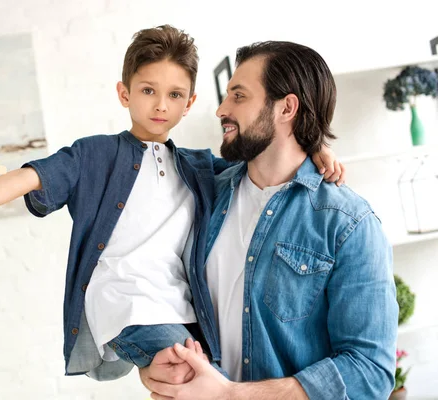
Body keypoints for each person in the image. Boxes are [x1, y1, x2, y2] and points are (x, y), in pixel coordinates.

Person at [0, 28, 339, 381]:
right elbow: (30, 177)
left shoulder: (198, 166)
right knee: (188, 378)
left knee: (219, 377)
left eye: (175, 95)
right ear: (124, 93)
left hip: (183, 310)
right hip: (127, 304)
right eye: (148, 90)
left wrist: (315, 150)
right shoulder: (94, 155)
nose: (160, 104)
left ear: (189, 102)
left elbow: (266, 162)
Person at [139, 41, 398, 400]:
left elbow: (369, 372)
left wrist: (230, 395)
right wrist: (155, 363)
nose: (221, 110)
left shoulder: (348, 224)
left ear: (286, 108)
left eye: (238, 96)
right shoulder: (204, 194)